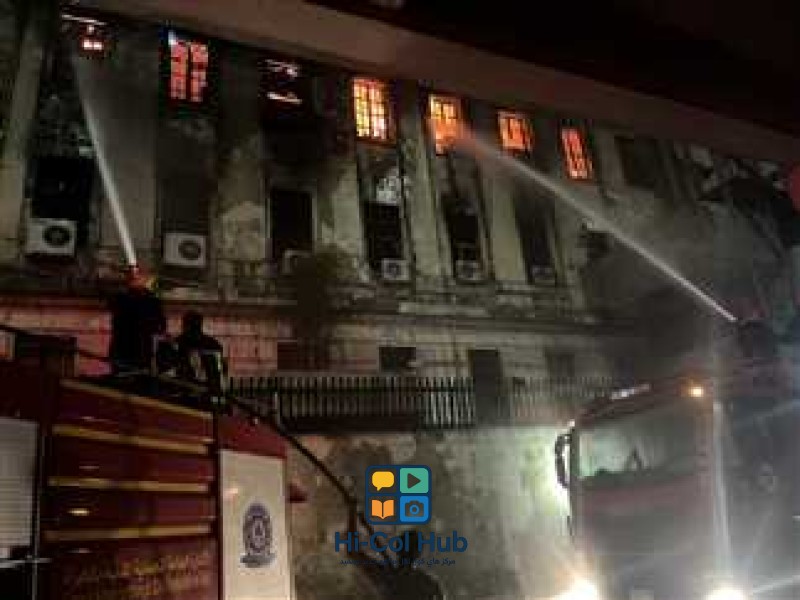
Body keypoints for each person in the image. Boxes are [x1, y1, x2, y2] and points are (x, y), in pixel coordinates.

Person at [107, 266, 166, 375]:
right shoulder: (150, 300)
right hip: (132, 350)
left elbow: (160, 326)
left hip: (131, 350)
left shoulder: (123, 298)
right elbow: (160, 326)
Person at [174, 310, 226, 407]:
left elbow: (219, 370)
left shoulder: (179, 343)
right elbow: (220, 370)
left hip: (192, 393)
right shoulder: (212, 344)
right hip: (201, 392)